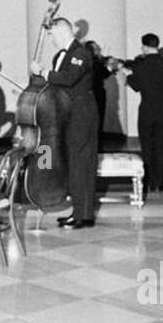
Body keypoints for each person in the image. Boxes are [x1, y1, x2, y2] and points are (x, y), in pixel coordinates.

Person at [30, 17, 98, 229]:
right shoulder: (62, 55)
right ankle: (78, 211)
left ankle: (83, 215)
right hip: (67, 113)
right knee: (73, 163)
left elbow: (69, 78)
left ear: (62, 31)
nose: (50, 39)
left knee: (81, 164)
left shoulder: (80, 53)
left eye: (52, 35)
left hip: (81, 114)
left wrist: (42, 72)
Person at [122, 33, 163, 192]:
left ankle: (147, 180)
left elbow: (136, 86)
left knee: (147, 146)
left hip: (146, 110)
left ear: (144, 46)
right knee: (162, 146)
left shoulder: (140, 65)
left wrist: (129, 76)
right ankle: (159, 183)